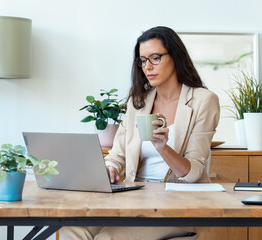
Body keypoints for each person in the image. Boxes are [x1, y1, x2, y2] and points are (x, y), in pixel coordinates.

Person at [60, 26, 220, 240]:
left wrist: (162, 148)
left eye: (155, 58)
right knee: (71, 230)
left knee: (107, 238)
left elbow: (193, 173)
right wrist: (110, 168)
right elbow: (116, 156)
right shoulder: (138, 102)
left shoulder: (203, 100)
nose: (148, 67)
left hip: (181, 205)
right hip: (135, 200)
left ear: (175, 56)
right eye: (142, 61)